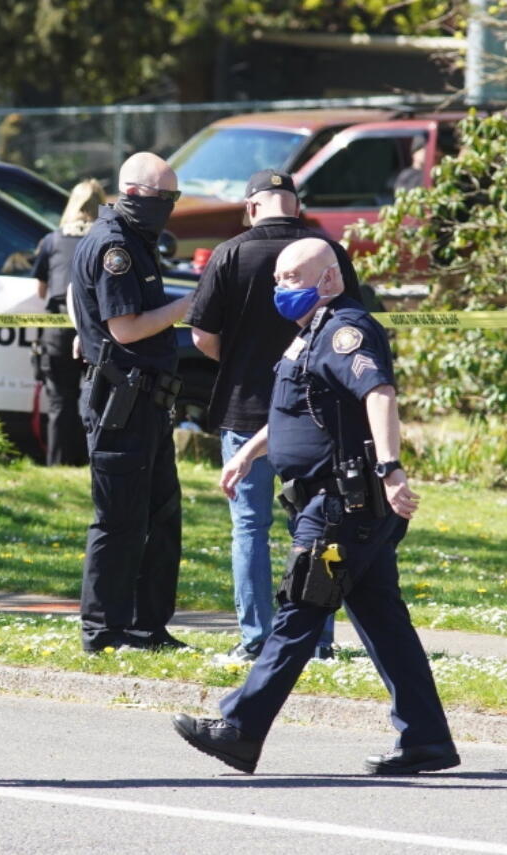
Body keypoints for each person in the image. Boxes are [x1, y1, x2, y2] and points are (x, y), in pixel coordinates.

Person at [172, 237, 459, 776]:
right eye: (279, 280)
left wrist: (391, 468)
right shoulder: (310, 334)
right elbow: (294, 412)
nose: (282, 289)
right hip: (331, 502)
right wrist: (249, 455)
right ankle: (426, 740)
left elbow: (379, 393)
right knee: (383, 622)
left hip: (340, 504)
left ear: (328, 279)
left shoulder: (347, 330)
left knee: (300, 609)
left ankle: (240, 727)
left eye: (292, 279)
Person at [187, 169, 362, 667]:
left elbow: (201, 335)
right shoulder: (327, 254)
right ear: (296, 204)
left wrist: (240, 362)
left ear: (251, 208)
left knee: (250, 527)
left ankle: (257, 638)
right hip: (317, 412)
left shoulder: (230, 254)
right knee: (317, 527)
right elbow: (350, 324)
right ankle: (317, 639)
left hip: (246, 409)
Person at [69, 152, 193, 653]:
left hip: (147, 401)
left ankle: (147, 628)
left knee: (161, 517)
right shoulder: (113, 246)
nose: (170, 208)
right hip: (121, 404)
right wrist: (188, 305)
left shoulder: (135, 240)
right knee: (119, 522)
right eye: (165, 199)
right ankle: (103, 631)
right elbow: (125, 328)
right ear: (135, 194)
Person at [31, 178, 104, 466]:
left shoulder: (52, 240)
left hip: (58, 328)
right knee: (95, 400)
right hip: (96, 326)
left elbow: (41, 290)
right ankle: (92, 463)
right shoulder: (104, 240)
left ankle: (58, 464)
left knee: (60, 401)